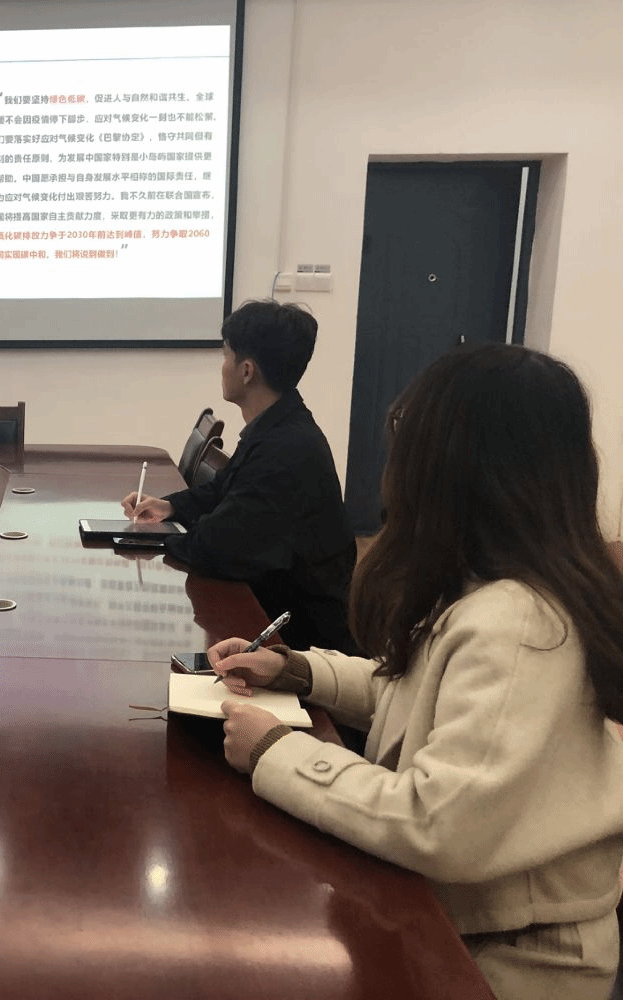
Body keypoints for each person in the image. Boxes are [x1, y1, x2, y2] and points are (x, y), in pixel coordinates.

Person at [213, 344, 623, 1000]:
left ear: (453, 470)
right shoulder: (489, 586)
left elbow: (437, 824)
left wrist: (277, 752)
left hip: (505, 961)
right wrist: (299, 671)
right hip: (461, 923)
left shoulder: (518, 621)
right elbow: (410, 693)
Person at [123, 299, 356, 652]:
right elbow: (222, 490)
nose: (222, 367)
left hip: (299, 641)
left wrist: (151, 542)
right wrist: (169, 508)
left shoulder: (285, 450)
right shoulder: (279, 426)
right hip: (272, 610)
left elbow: (215, 547)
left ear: (246, 371)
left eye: (225, 356)